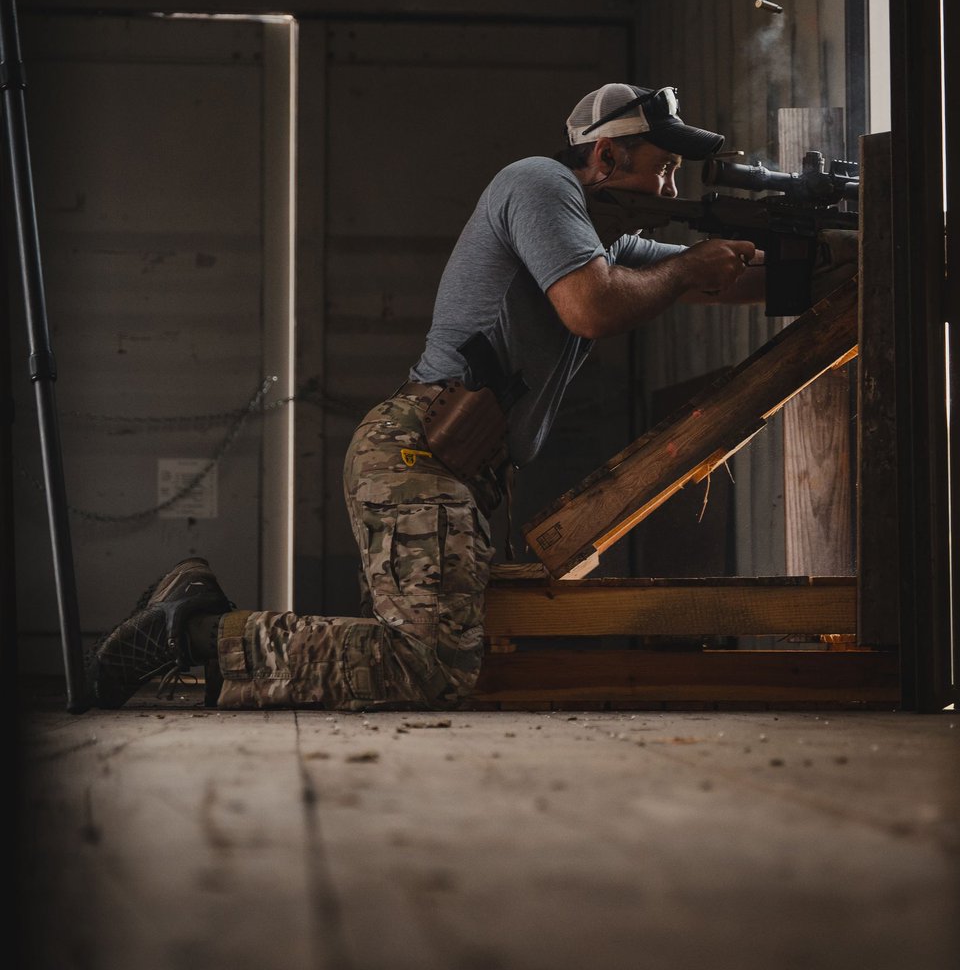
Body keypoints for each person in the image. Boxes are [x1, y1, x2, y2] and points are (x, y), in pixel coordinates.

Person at [87, 83, 761, 711]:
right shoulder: (541, 183)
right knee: (428, 665)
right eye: (664, 167)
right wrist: (685, 267)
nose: (671, 187)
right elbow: (593, 306)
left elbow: (714, 279)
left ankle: (188, 657)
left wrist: (821, 257)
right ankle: (194, 634)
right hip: (419, 454)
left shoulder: (598, 240)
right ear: (608, 155)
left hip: (449, 466)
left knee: (408, 664)